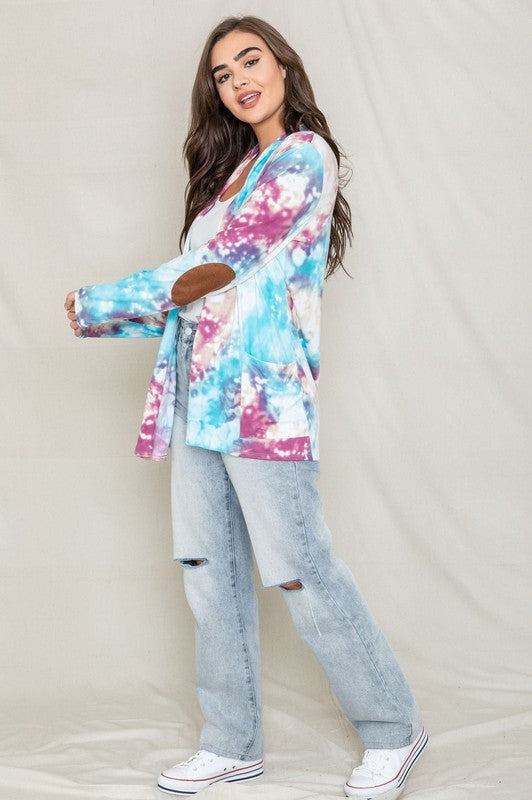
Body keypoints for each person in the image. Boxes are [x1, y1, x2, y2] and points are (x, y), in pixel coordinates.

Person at [64, 14, 428, 799]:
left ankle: (393, 728)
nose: (238, 82)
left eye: (249, 62)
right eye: (223, 75)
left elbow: (219, 270)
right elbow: (193, 292)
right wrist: (120, 312)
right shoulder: (232, 177)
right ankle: (232, 740)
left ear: (285, 66)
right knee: (208, 571)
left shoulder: (303, 158)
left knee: (299, 569)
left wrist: (99, 304)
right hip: (201, 399)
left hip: (264, 402)